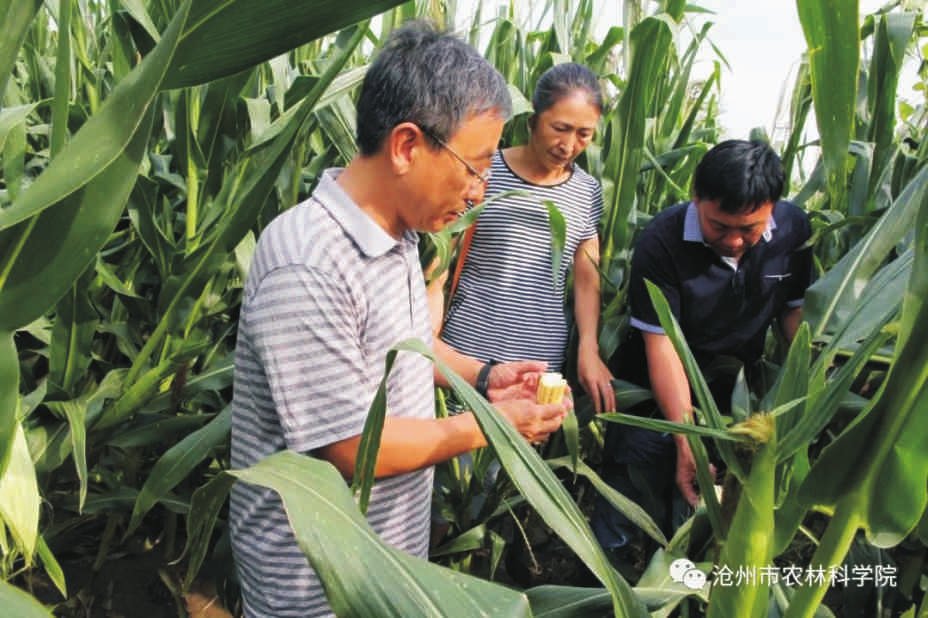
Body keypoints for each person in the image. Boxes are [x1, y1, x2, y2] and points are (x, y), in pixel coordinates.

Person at [229, 23, 568, 618]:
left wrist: (486, 380)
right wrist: (489, 426)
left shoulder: (400, 235)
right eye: (476, 166)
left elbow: (410, 350)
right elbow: (356, 445)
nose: (479, 192)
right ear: (408, 146)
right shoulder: (309, 261)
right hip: (317, 583)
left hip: (383, 562)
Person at [592, 139, 814, 574]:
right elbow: (663, 345)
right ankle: (600, 595)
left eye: (749, 229)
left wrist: (816, 381)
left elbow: (795, 316)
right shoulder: (662, 240)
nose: (734, 241)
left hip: (731, 402)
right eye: (718, 226)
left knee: (695, 522)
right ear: (696, 197)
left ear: (773, 206)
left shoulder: (792, 230)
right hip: (652, 399)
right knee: (621, 513)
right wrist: (685, 439)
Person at [433, 62, 616, 415]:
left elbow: (586, 277)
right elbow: (440, 258)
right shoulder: (485, 171)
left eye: (584, 134)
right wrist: (429, 335)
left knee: (511, 465)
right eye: (559, 128)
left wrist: (589, 348)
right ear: (533, 120)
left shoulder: (587, 191)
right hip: (467, 351)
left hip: (538, 365)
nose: (568, 145)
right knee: (453, 459)